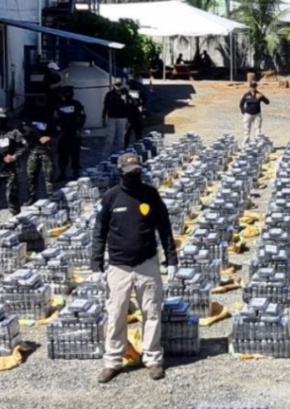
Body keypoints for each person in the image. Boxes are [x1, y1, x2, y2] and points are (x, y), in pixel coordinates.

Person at [92, 153, 178, 384]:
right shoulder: (110, 198)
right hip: (118, 266)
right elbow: (99, 232)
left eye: (137, 171)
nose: (134, 176)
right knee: (116, 314)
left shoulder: (150, 194)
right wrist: (96, 265)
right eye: (130, 172)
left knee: (152, 312)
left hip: (146, 264)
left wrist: (171, 259)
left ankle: (153, 358)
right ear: (121, 172)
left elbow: (164, 227)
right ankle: (113, 361)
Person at [23, 115, 56, 203]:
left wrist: (50, 138)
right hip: (33, 149)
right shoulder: (28, 116)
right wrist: (25, 130)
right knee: (31, 174)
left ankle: (51, 194)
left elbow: (56, 131)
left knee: (49, 173)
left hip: (46, 149)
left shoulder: (49, 117)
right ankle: (32, 196)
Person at [55, 86, 87, 181]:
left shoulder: (75, 104)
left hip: (72, 132)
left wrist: (78, 128)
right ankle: (64, 173)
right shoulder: (60, 105)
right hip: (65, 133)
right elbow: (55, 118)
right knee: (65, 154)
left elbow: (82, 117)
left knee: (73, 154)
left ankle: (74, 172)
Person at [102, 81, 128, 157]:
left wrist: (129, 118)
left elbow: (129, 105)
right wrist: (103, 117)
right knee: (109, 138)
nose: (118, 87)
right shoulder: (110, 94)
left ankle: (120, 155)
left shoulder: (125, 94)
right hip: (112, 117)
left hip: (122, 117)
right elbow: (106, 106)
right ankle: (105, 155)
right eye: (117, 85)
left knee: (121, 138)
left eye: (120, 85)